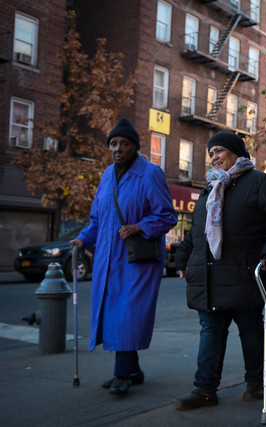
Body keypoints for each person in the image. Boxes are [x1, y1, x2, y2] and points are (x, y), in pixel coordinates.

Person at [174, 131, 266, 410]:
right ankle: (204, 390)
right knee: (210, 334)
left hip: (244, 275)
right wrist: (182, 260)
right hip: (209, 276)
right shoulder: (209, 189)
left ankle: (255, 383)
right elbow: (197, 232)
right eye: (211, 153)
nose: (214, 157)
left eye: (219, 151)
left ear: (236, 153)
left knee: (251, 332)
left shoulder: (261, 183)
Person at [70, 118, 177, 396]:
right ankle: (133, 370)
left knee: (128, 314)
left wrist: (141, 226)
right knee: (113, 312)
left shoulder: (150, 173)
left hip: (137, 258)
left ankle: (121, 375)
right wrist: (82, 238)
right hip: (107, 258)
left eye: (124, 143)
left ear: (134, 147)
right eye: (114, 143)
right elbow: (97, 218)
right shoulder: (107, 175)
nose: (118, 148)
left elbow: (167, 216)